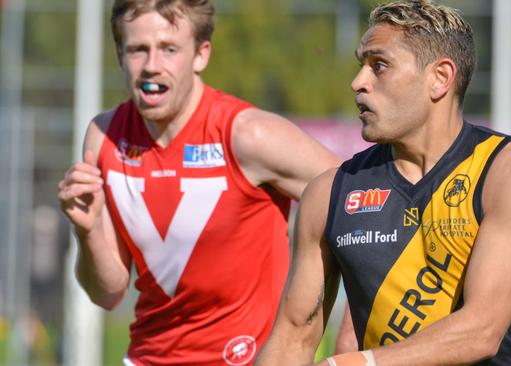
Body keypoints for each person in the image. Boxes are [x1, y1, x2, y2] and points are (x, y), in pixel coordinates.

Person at [256, 1, 511, 365]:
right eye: (361, 65)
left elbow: (481, 331)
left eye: (379, 65)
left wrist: (360, 363)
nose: (358, 82)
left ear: (440, 78)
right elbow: (293, 338)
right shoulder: (329, 193)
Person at [57, 0, 340, 364]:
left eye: (169, 49)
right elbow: (108, 293)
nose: (151, 65)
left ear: (201, 55)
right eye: (138, 49)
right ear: (119, 55)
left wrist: (344, 330)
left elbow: (362, 201)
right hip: (146, 357)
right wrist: (87, 229)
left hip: (247, 358)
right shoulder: (105, 136)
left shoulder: (248, 135)